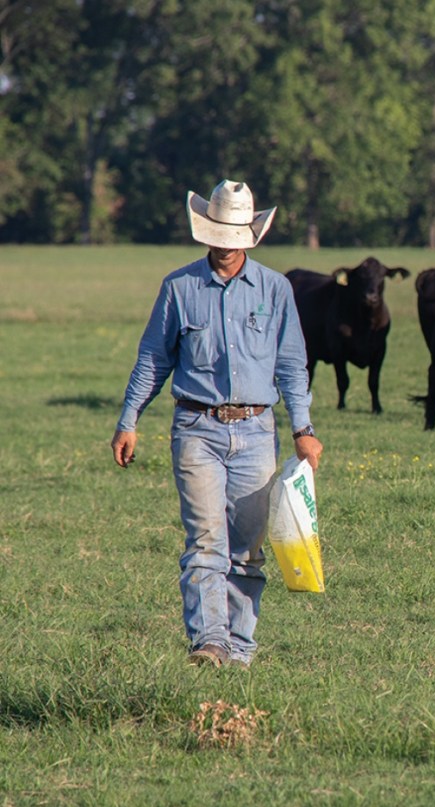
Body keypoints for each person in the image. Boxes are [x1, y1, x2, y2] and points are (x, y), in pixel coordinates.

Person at [111, 179, 323, 669]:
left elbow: (292, 365)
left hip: (256, 432)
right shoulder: (179, 288)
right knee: (205, 541)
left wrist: (303, 428)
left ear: (249, 238)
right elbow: (152, 359)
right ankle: (209, 642)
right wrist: (129, 419)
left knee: (247, 550)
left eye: (236, 241)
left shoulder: (276, 290)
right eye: (219, 239)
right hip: (196, 428)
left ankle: (240, 648)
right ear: (206, 234)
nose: (226, 250)